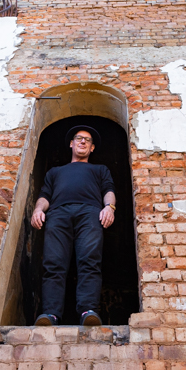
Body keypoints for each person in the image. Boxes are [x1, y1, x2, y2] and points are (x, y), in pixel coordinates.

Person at [31, 125, 116, 326]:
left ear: (92, 148)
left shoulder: (99, 169)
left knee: (89, 260)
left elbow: (109, 190)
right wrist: (38, 210)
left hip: (90, 213)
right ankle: (50, 314)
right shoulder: (55, 172)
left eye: (87, 140)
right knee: (53, 262)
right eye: (79, 138)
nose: (83, 141)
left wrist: (109, 208)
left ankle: (88, 311)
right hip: (58, 214)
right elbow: (45, 196)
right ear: (71, 144)